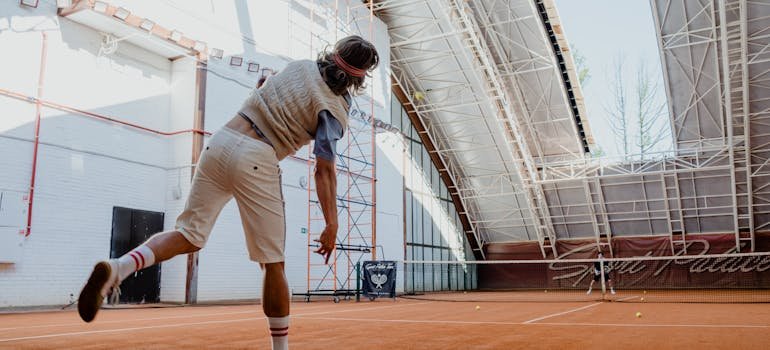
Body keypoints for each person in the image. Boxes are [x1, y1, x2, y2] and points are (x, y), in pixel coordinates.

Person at [77, 35, 379, 350]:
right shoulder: (335, 109)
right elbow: (324, 169)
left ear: (333, 53)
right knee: (273, 263)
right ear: (360, 78)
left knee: (189, 234)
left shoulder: (299, 67)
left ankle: (119, 266)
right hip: (259, 157)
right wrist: (331, 224)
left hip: (220, 142)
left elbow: (266, 87)